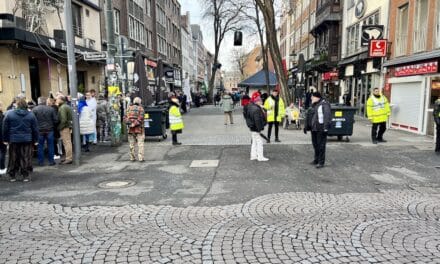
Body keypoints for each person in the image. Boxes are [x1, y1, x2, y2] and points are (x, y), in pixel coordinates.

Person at [3, 98, 39, 182]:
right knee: (26, 157)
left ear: (17, 105)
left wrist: (5, 139)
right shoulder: (31, 115)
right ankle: (25, 175)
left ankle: (12, 175)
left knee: (13, 157)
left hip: (13, 139)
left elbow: (5, 128)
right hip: (27, 139)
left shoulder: (9, 114)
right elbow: (35, 129)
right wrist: (36, 140)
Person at [304, 92, 331, 169]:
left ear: (317, 97)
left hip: (321, 128)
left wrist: (325, 127)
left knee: (321, 145)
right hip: (314, 128)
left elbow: (327, 116)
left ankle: (321, 162)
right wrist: (306, 127)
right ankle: (316, 159)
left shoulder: (324, 104)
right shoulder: (314, 104)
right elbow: (309, 116)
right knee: (315, 145)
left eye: (313, 97)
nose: (311, 98)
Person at [32, 97, 58, 166]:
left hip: (39, 131)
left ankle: (41, 162)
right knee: (50, 146)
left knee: (40, 146)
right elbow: (56, 120)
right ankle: (51, 161)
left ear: (38, 102)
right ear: (45, 102)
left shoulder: (34, 109)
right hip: (49, 130)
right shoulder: (51, 109)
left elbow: (32, 121)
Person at [243, 92, 268, 162]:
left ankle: (253, 156)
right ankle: (260, 157)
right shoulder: (256, 109)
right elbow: (257, 120)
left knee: (254, 142)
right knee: (259, 142)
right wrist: (259, 129)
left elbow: (247, 117)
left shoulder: (250, 107)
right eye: (261, 101)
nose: (262, 102)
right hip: (256, 128)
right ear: (257, 101)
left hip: (252, 127)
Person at [124, 97, 145, 161]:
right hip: (139, 129)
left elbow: (125, 118)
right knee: (140, 144)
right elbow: (140, 119)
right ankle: (140, 158)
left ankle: (132, 157)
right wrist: (134, 124)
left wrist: (130, 124)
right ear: (139, 102)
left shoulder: (128, 109)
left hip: (130, 129)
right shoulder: (141, 109)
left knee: (131, 144)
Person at [56, 95, 73, 164]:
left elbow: (63, 119)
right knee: (67, 142)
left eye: (57, 99)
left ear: (61, 100)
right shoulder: (65, 106)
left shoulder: (62, 107)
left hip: (65, 127)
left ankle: (69, 158)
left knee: (67, 143)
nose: (56, 100)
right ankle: (68, 157)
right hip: (66, 126)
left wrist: (59, 127)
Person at [0, 101, 7, 175]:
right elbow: (4, 128)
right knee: (2, 152)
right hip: (1, 137)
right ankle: (1, 167)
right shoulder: (2, 116)